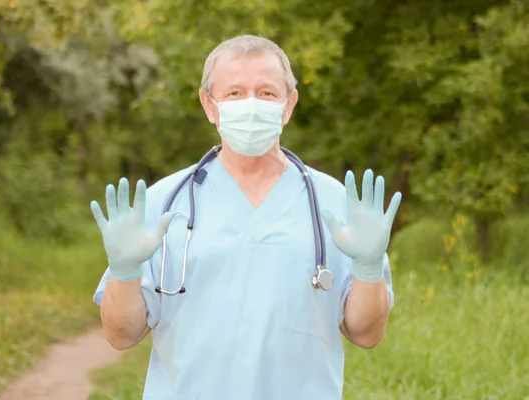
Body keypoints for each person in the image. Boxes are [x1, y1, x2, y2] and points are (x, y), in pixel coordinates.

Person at [91, 34, 402, 400]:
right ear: (209, 105)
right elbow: (121, 335)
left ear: (289, 105)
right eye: (235, 94)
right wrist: (124, 272)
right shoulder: (163, 202)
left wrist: (368, 268)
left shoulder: (336, 203)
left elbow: (366, 334)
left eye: (267, 93)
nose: (251, 105)